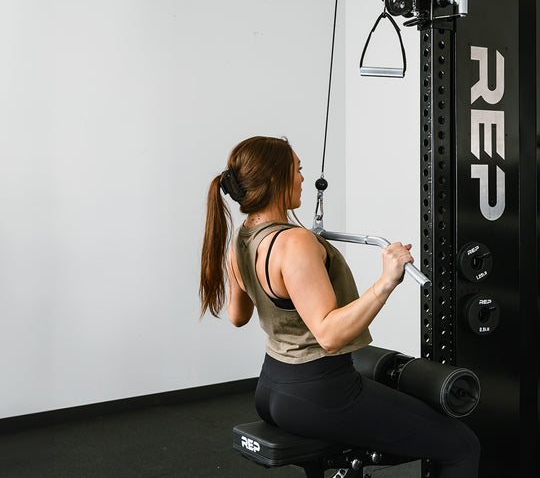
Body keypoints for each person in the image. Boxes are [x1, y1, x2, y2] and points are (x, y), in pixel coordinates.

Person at [199, 136, 480, 477]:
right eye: (298, 169)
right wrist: (386, 282)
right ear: (275, 179)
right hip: (320, 394)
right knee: (461, 446)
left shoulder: (242, 239)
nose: (303, 177)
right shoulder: (293, 243)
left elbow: (237, 316)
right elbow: (329, 335)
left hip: (271, 389)